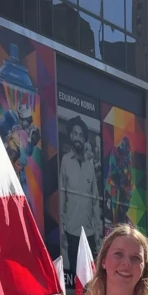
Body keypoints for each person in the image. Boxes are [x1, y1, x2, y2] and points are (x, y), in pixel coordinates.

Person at [60, 116, 100, 273]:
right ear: (71, 136)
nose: (78, 138)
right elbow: (62, 196)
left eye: (81, 135)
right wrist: (62, 230)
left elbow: (95, 200)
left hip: (89, 233)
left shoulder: (90, 166)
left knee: (90, 279)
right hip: (71, 230)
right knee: (75, 276)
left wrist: (97, 233)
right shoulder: (65, 161)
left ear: (84, 139)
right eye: (75, 134)